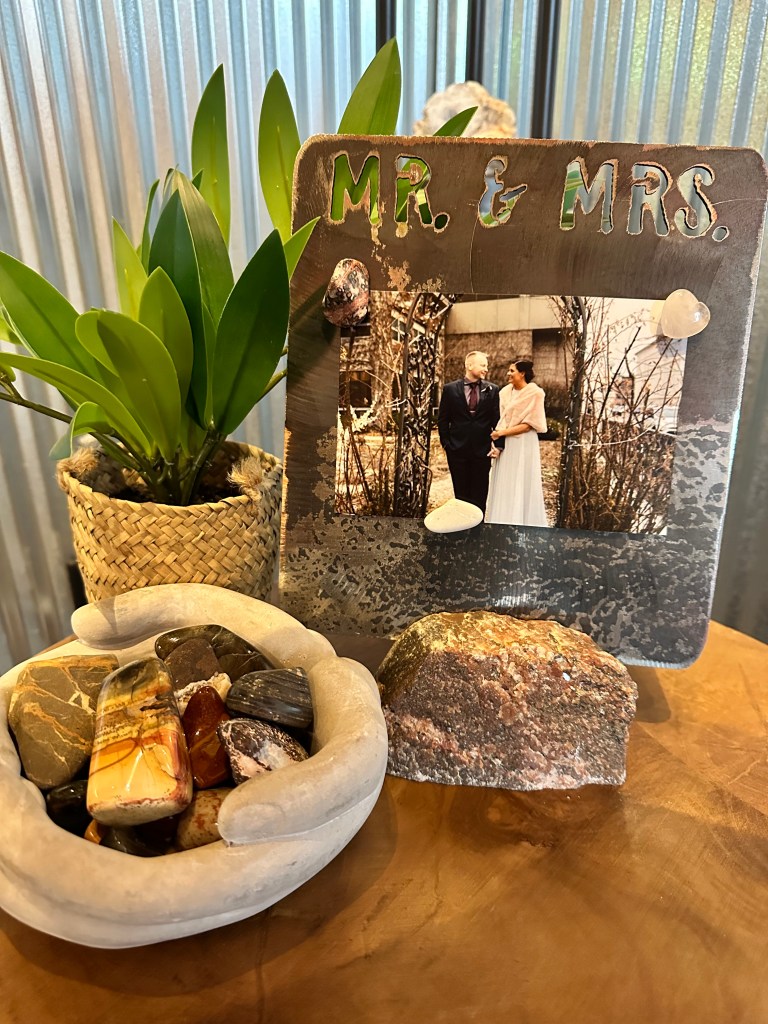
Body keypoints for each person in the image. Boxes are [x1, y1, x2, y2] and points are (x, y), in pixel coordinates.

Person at [437, 351, 503, 514]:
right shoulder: (450, 389)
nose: (486, 369)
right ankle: (461, 526)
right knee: (461, 495)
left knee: (480, 494)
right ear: (469, 365)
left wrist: (498, 445)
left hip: (482, 451)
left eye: (486, 366)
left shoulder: (492, 390)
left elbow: (497, 420)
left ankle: (478, 526)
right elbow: (443, 419)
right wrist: (447, 444)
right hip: (456, 450)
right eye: (483, 365)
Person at [485, 360, 549, 527]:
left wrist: (502, 433)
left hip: (523, 443)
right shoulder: (504, 392)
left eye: (512, 371)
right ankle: (502, 521)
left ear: (522, 373)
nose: (508, 374)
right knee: (505, 481)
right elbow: (500, 420)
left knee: (521, 478)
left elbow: (529, 425)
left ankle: (522, 522)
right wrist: (498, 443)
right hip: (506, 443)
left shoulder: (535, 393)